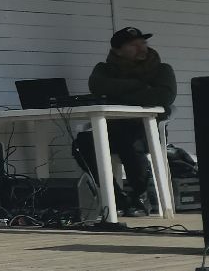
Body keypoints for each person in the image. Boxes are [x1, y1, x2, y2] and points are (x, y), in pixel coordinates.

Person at [74, 26, 177, 216]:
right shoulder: (104, 69)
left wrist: (118, 96)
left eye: (143, 43)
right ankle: (115, 198)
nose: (141, 48)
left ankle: (140, 196)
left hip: (148, 131)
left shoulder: (162, 70)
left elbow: (163, 97)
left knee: (130, 143)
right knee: (82, 144)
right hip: (115, 129)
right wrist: (140, 87)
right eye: (133, 45)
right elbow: (97, 85)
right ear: (117, 51)